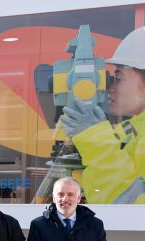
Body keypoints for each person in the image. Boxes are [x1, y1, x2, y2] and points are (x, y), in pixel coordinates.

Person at [60, 27, 145, 204]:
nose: (110, 87)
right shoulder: (134, 128)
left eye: (119, 78)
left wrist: (96, 141)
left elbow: (127, 208)